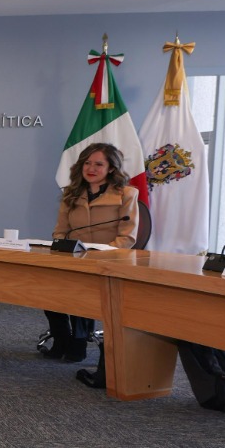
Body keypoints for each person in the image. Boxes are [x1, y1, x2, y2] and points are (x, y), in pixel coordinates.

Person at [41, 143, 139, 372]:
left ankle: (78, 340)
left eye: (98, 164)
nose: (91, 168)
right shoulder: (71, 194)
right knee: (45, 287)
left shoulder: (127, 194)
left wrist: (97, 257)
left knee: (80, 290)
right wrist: (64, 250)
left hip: (109, 261)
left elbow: (127, 237)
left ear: (111, 169)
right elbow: (60, 231)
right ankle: (61, 337)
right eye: (87, 163)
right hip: (73, 257)